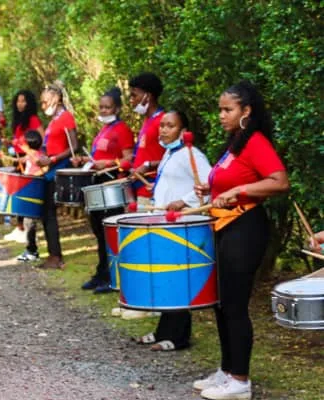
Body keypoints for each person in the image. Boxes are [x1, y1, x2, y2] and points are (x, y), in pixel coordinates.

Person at [192, 81, 289, 400]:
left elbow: (279, 182)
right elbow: (231, 180)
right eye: (220, 109)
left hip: (246, 229)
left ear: (246, 111)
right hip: (225, 228)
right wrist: (213, 191)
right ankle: (226, 370)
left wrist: (239, 192)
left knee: (234, 305)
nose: (221, 115)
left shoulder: (255, 142)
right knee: (221, 304)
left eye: (227, 109)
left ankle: (240, 380)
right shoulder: (235, 142)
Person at [129, 110, 210, 351]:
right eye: (162, 125)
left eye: (170, 126)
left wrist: (184, 202)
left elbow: (208, 186)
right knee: (166, 278)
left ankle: (178, 337)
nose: (163, 130)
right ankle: (163, 331)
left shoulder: (192, 155)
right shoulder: (169, 153)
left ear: (183, 131)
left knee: (177, 281)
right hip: (166, 223)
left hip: (181, 227)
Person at [75, 87, 134, 293]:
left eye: (108, 107)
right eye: (101, 107)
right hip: (97, 184)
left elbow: (129, 159)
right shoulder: (103, 130)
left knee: (109, 234)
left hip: (112, 186)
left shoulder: (122, 129)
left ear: (117, 108)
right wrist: (84, 160)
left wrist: (111, 162)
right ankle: (101, 273)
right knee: (99, 233)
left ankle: (112, 277)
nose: (104, 110)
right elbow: (96, 157)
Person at [34, 81, 78, 269]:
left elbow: (73, 146)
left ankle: (55, 256)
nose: (43, 106)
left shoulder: (66, 117)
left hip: (58, 170)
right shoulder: (54, 121)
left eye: (45, 102)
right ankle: (53, 253)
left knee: (49, 213)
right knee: (45, 213)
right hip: (48, 169)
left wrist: (51, 160)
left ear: (57, 99)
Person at [3, 89, 43, 244]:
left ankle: (26, 230)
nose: (20, 104)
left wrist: (32, 155)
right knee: (16, 193)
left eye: (23, 101)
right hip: (18, 157)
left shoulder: (33, 119)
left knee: (23, 194)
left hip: (29, 160)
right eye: (18, 101)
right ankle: (19, 226)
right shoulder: (18, 120)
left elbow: (40, 137)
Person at [128, 73, 166, 207]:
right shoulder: (147, 120)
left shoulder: (164, 121)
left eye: (134, 95)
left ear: (147, 96)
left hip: (154, 190)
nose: (131, 100)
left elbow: (177, 157)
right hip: (142, 190)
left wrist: (148, 165)